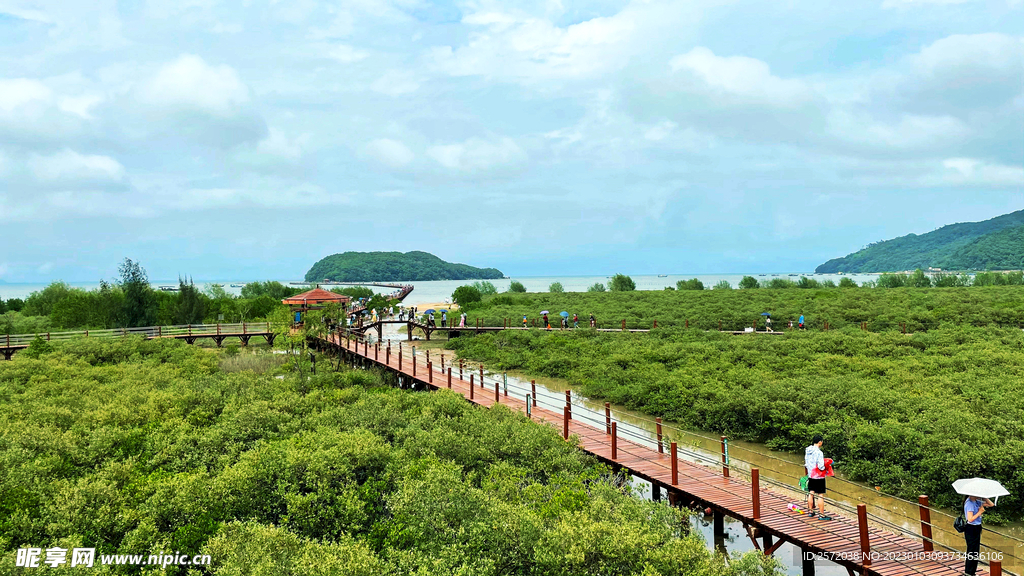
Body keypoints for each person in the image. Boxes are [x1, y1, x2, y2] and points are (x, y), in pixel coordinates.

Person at [964, 495, 994, 575]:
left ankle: (972, 572)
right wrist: (979, 512)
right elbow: (970, 519)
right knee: (971, 551)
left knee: (975, 551)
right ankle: (968, 572)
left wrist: (985, 497)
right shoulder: (969, 503)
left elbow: (991, 504)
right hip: (971, 528)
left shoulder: (977, 501)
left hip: (977, 527)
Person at [804, 434, 831, 520]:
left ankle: (810, 511)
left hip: (810, 474)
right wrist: (826, 466)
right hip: (818, 476)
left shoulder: (807, 450)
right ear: (820, 442)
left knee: (811, 492)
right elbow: (821, 466)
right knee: (820, 494)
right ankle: (822, 515)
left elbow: (806, 462)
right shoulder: (819, 452)